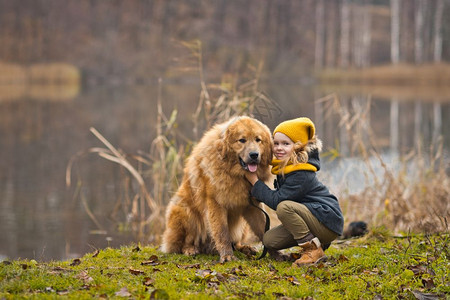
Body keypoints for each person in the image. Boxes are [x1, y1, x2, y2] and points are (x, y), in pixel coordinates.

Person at [245, 117, 344, 266]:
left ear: (298, 147)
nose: (279, 148)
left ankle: (313, 250)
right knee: (270, 240)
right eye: (276, 143)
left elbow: (278, 201)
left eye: (286, 144)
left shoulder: (301, 172)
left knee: (284, 207)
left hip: (327, 220)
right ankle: (318, 242)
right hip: (314, 218)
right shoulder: (287, 166)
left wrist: (255, 182)